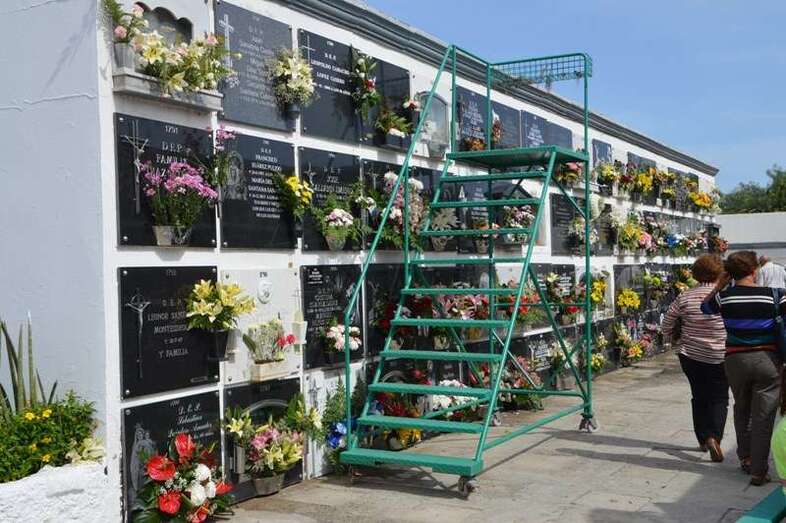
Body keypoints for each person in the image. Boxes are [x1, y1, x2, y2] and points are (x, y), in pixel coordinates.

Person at [702, 250, 784, 486]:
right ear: (754, 271)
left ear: (732, 273)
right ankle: (759, 471)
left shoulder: (724, 297)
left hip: (735, 361)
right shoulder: (775, 295)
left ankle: (745, 458)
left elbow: (705, 309)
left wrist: (719, 285)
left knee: (742, 409)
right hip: (768, 361)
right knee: (764, 416)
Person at [662, 254, 728, 462]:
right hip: (720, 354)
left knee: (699, 396)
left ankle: (702, 438)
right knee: (719, 397)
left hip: (691, 355)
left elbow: (667, 323)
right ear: (719, 273)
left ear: (696, 273)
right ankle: (714, 437)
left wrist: (673, 338)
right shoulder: (724, 296)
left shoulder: (685, 297)